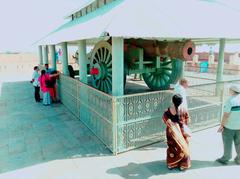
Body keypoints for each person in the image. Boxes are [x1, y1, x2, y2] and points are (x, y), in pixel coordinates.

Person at [162, 94, 191, 171]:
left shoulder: (167, 111)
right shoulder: (184, 110)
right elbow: (188, 120)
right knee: (183, 147)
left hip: (172, 133)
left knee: (172, 147)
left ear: (172, 101)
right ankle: (183, 165)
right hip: (182, 133)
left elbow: (164, 121)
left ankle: (172, 164)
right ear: (181, 102)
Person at [216, 84, 240, 165]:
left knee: (228, 143)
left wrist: (222, 126)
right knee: (239, 143)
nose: (229, 91)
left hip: (229, 127)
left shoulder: (230, 101)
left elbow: (226, 115)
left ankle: (226, 158)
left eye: (230, 89)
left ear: (232, 91)